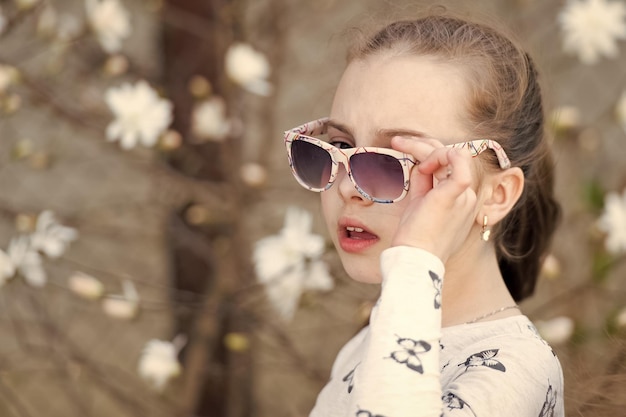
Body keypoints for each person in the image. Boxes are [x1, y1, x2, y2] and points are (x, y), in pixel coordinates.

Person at [282, 8, 563, 417]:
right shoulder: (375, 336)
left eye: (394, 160)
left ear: (496, 195)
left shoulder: (518, 371)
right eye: (341, 146)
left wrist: (416, 262)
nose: (346, 188)